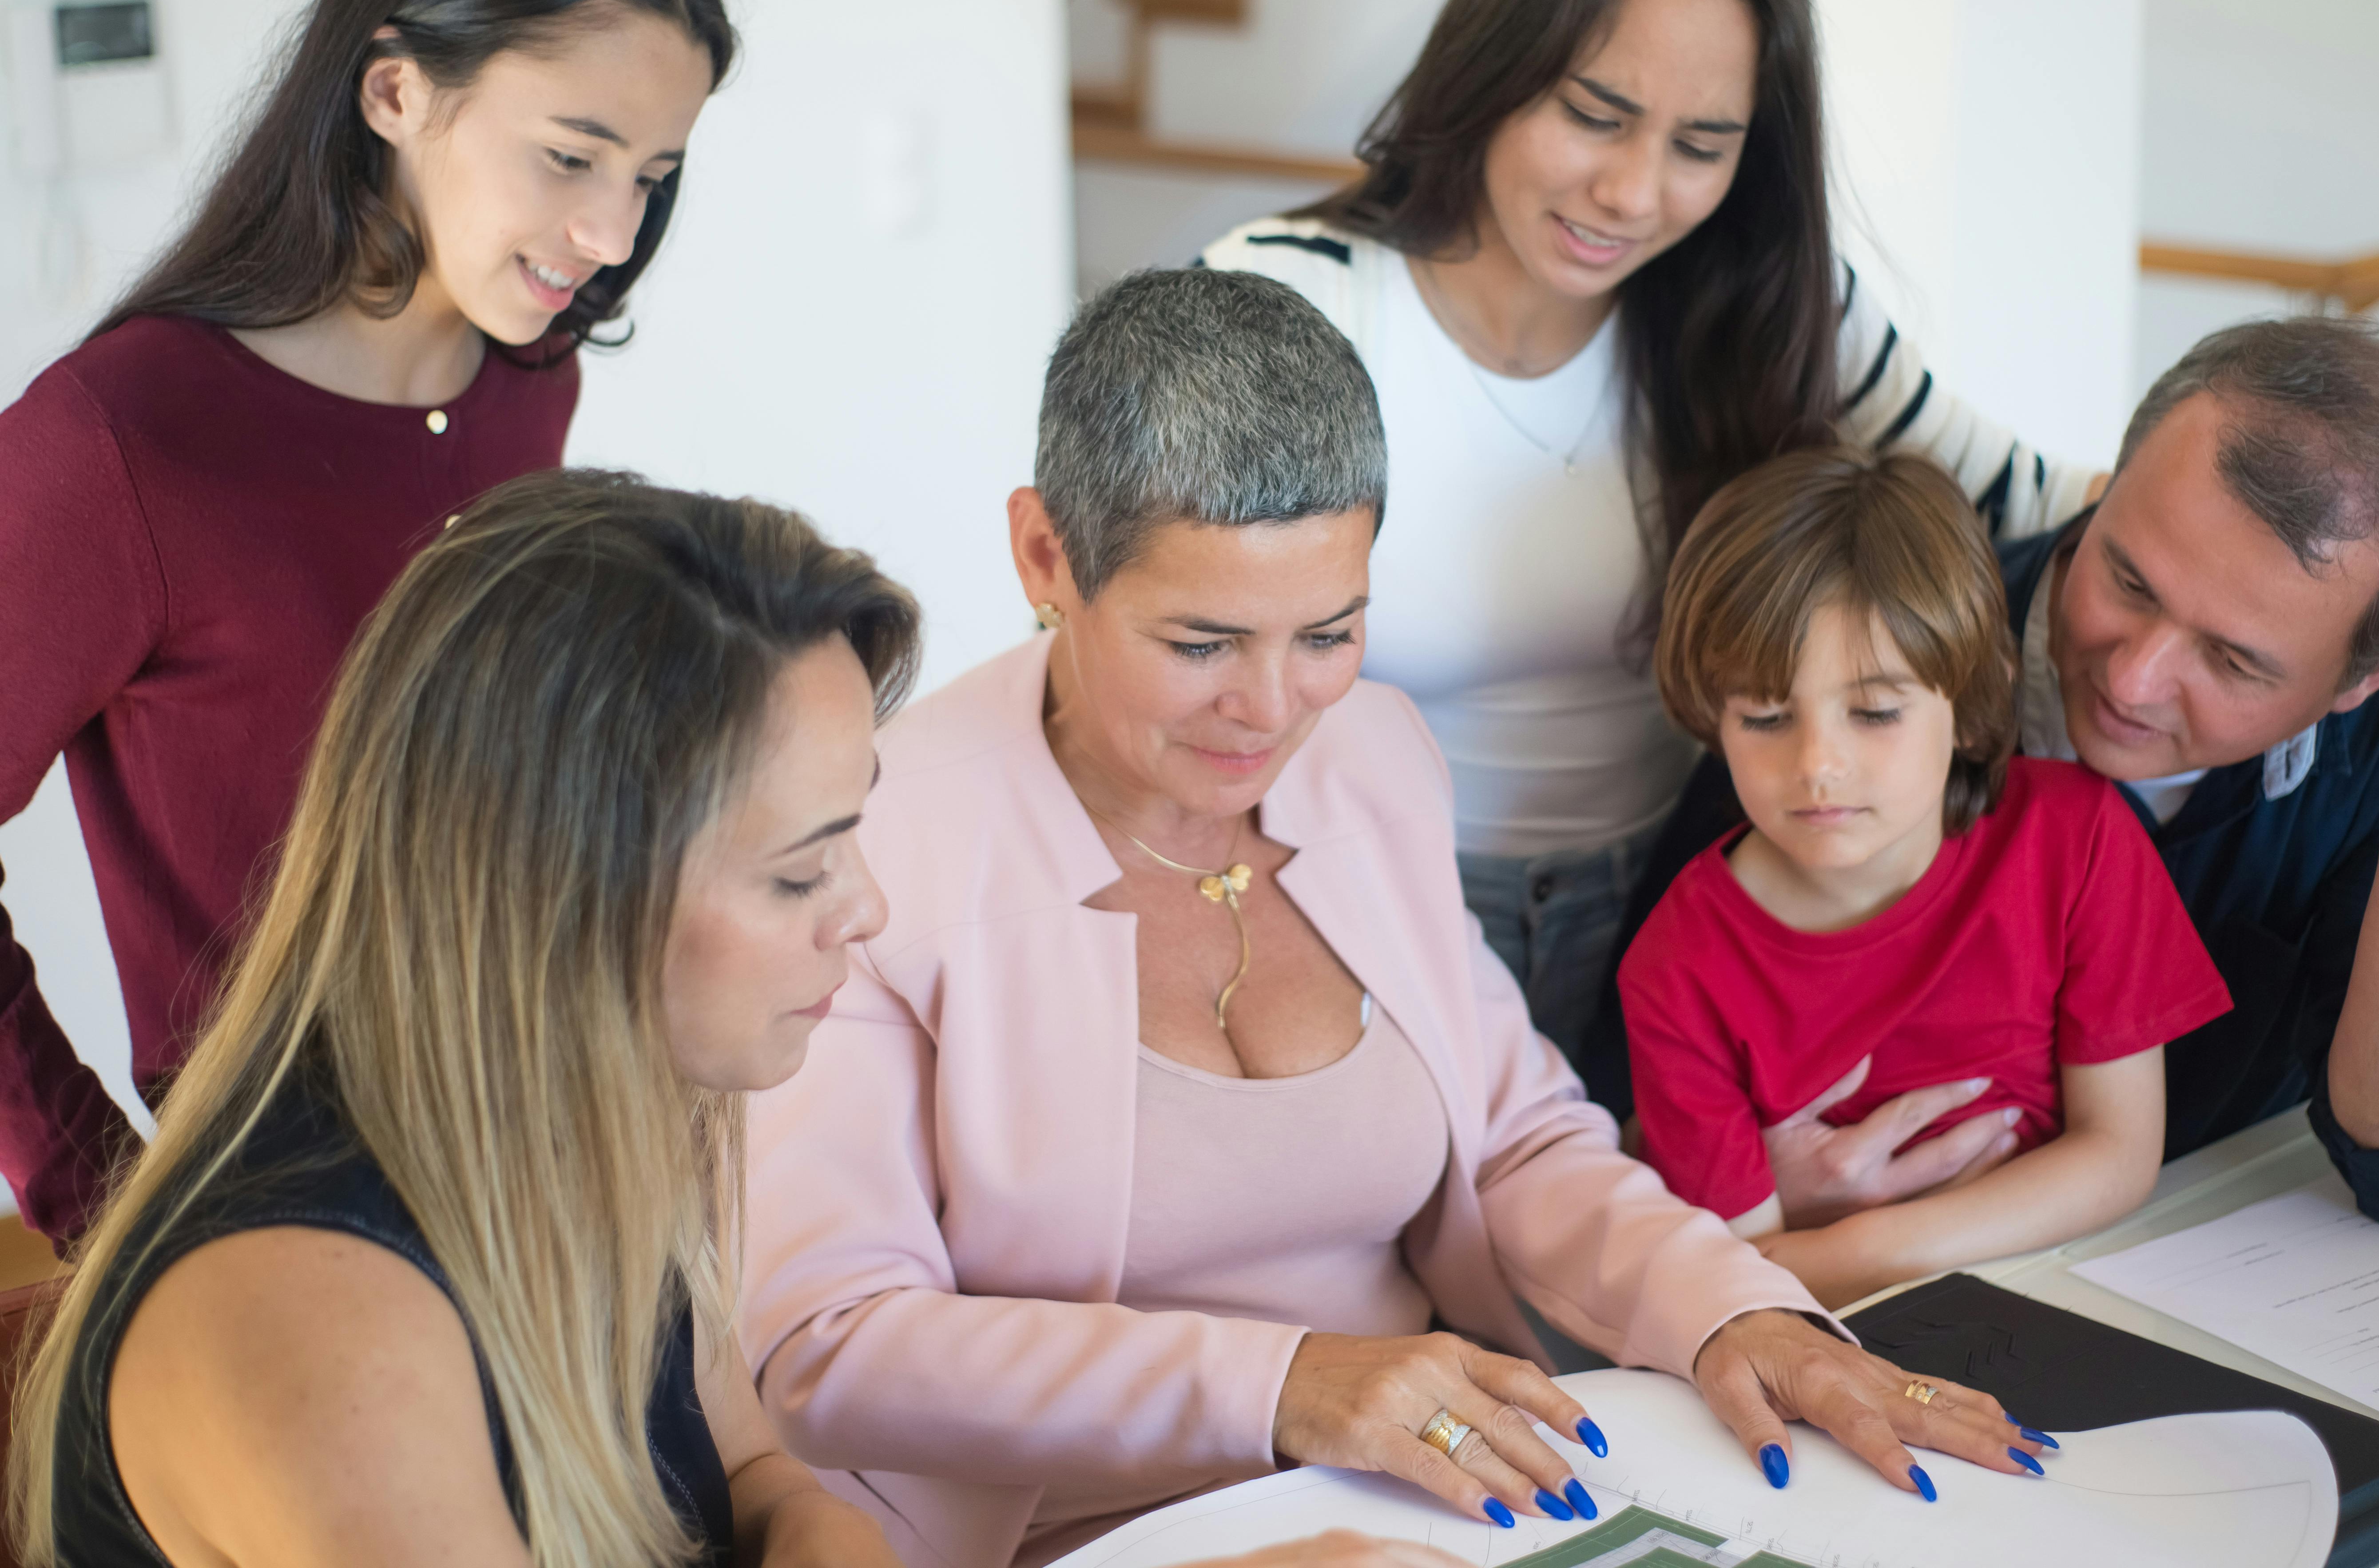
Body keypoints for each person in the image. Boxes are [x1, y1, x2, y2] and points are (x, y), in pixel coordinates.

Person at [739, 271, 2044, 1568]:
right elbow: (831, 1341)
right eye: (1200, 644)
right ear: (1045, 555)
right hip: (1076, 1536)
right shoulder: (879, 834)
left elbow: (1520, 1142)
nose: (1271, 709)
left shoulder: (1373, 754)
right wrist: (1293, 1384)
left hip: (1438, 1485)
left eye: (1330, 629)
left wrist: (1736, 1314)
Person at [1202, 0, 2100, 1071]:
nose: (1633, 194)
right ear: (1494, 64)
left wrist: (2378, 584)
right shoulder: (1291, 306)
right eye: (1595, 115)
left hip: (1684, 914)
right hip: (1355, 909)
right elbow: (1132, 654)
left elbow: (2043, 505)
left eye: (1701, 147)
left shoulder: (1778, 309)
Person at [0, 0, 734, 1248]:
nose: (608, 231)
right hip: (290, 1225)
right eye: (572, 156)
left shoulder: (531, 378)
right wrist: (100, 1190)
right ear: (397, 89)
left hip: (554, 1161)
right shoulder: (120, 443)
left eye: (651, 173)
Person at [5, 470, 921, 1567]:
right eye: (798, 870)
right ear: (559, 896)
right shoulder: (311, 1322)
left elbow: (747, 1469)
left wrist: (819, 1521)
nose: (867, 907)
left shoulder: (575, 1127)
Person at [1616, 318, 2379, 1229]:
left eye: (2232, 662)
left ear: (2370, 676)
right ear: (2100, 489)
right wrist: (1749, 1198)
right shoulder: (1883, 660)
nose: (2131, 678)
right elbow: (1621, 1097)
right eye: (2127, 580)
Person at [1618, 449, 2230, 1310]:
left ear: (1972, 700)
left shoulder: (2079, 840)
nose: (1818, 765)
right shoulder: (1674, 969)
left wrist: (1864, 1242)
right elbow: (1745, 1280)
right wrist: (1844, 1256)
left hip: (2085, 1296)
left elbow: (2120, 1154)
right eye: (1763, 715)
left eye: (1873, 711)